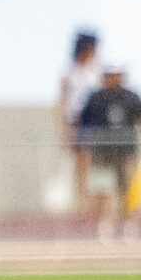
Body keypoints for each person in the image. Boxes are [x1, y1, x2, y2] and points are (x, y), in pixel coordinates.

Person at [76, 64, 141, 238]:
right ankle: (105, 225)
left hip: (125, 151)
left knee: (127, 189)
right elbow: (83, 122)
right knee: (103, 189)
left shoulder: (130, 97)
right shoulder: (96, 98)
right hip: (102, 151)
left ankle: (127, 223)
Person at [58, 29, 102, 226]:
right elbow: (63, 102)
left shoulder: (98, 72)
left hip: (97, 122)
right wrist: (64, 129)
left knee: (99, 168)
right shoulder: (70, 73)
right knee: (81, 167)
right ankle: (84, 207)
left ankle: (98, 208)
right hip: (79, 122)